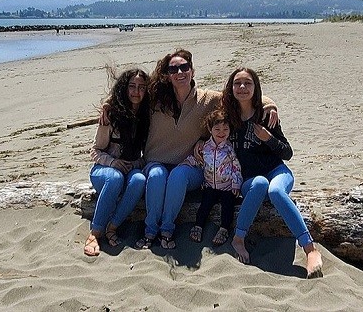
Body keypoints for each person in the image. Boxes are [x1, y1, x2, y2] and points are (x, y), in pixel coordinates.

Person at [132, 48, 278, 250]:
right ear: (167, 74)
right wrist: (106, 108)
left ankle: (166, 230)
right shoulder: (156, 98)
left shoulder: (207, 99)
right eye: (173, 69)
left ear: (192, 70)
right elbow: (129, 98)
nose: (180, 73)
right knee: (156, 176)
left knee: (178, 176)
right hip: (156, 160)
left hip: (190, 166)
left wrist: (270, 104)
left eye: (184, 67)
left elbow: (241, 97)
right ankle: (150, 232)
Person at [222, 67, 323, 278]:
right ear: (230, 88)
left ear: (255, 87)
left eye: (247, 83)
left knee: (276, 192)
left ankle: (310, 249)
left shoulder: (266, 115)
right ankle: (238, 239)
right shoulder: (227, 118)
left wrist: (268, 138)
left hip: (277, 171)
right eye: (237, 83)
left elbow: (287, 153)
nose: (242, 87)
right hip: (249, 178)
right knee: (260, 184)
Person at [83, 68, 150, 257]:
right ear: (124, 88)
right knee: (115, 178)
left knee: (139, 180)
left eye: (141, 88)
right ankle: (95, 233)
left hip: (130, 169)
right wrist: (112, 162)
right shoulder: (111, 115)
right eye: (132, 87)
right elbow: (95, 151)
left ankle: (112, 226)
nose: (136, 92)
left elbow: (148, 154)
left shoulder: (147, 117)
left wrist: (135, 163)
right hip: (104, 171)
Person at [182, 109, 242, 246]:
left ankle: (224, 229)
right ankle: (198, 226)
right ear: (210, 129)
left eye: (225, 129)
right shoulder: (205, 148)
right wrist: (185, 163)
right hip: (210, 185)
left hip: (227, 186)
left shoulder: (229, 148)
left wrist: (236, 184)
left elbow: (236, 167)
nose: (221, 132)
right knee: (205, 205)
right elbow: (197, 160)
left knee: (228, 206)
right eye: (217, 129)